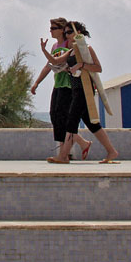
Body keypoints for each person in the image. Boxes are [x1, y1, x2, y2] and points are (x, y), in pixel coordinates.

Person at [40, 21, 119, 164]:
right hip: (75, 89)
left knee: (71, 122)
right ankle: (111, 151)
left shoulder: (87, 49)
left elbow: (98, 68)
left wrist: (81, 65)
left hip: (85, 90)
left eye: (69, 32)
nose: (67, 35)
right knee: (92, 124)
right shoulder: (71, 51)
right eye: (65, 33)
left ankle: (63, 156)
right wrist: (44, 50)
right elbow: (55, 60)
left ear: (78, 33)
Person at [31, 17, 92, 161]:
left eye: (53, 28)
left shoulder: (69, 43)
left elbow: (75, 60)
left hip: (70, 85)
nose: (50, 31)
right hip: (58, 84)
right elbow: (49, 65)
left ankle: (67, 153)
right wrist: (37, 83)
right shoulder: (54, 46)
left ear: (61, 29)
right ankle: (73, 147)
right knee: (55, 116)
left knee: (63, 118)